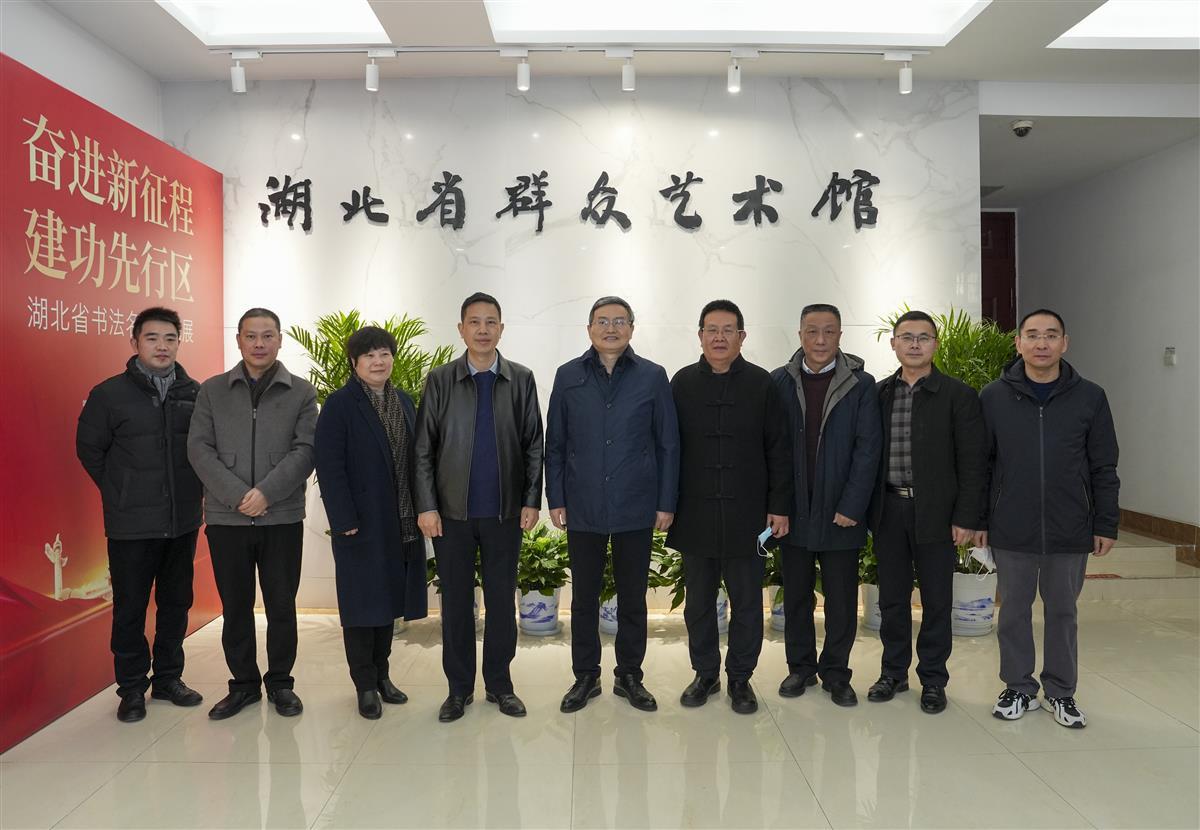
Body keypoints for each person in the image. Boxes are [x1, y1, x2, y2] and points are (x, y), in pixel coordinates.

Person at [979, 309, 1119, 728]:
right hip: (1011, 525)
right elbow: (980, 465)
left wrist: (1105, 522)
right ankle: (1018, 687)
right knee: (1013, 611)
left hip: (1070, 525)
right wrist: (979, 519)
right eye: (1033, 335)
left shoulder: (1090, 397)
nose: (1042, 343)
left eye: (1051, 335)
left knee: (1062, 612)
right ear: (1018, 343)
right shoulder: (993, 396)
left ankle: (1061, 692)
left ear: (1065, 343)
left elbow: (1104, 466)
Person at [545, 296, 679, 714]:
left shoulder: (653, 376)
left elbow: (668, 444)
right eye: (602, 321)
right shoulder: (568, 375)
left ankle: (630, 675)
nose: (610, 328)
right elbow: (555, 443)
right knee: (584, 598)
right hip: (582, 503)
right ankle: (586, 676)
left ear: (632, 329)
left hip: (635, 503)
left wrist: (666, 502)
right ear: (589, 329)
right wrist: (556, 498)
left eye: (619, 321)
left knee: (633, 597)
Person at [414, 292, 543, 723]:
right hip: (451, 514)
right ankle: (458, 689)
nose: (483, 330)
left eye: (491, 322)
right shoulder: (440, 380)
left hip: (504, 513)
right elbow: (423, 448)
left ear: (501, 329)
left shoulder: (520, 379)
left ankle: (500, 686)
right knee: (455, 604)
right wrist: (427, 505)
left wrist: (530, 500)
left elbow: (534, 444)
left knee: (502, 603)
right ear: (461, 329)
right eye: (474, 322)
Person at [187, 308, 317, 720]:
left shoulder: (301, 392)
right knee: (236, 605)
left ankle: (281, 683)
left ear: (280, 340)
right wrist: (239, 495)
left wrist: (267, 494)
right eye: (250, 336)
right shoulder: (212, 391)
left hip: (281, 518)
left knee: (281, 605)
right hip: (227, 519)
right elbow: (199, 449)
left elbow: (306, 450)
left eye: (267, 335)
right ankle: (243, 685)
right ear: (238, 340)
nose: (259, 343)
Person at [76, 307, 205, 723]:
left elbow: (206, 452)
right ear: (135, 342)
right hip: (131, 524)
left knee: (176, 603)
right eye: (152, 338)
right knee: (130, 607)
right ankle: (132, 688)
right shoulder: (109, 394)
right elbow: (89, 450)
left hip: (182, 521)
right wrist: (121, 490)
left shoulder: (195, 393)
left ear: (179, 343)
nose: (162, 346)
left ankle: (168, 678)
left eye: (170, 338)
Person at [670, 300, 792, 715]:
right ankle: (705, 673)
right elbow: (668, 449)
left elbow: (779, 449)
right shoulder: (682, 382)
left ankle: (740, 677)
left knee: (747, 603)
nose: (719, 338)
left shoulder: (762, 383)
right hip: (695, 513)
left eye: (728, 330)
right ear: (700, 335)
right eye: (712, 330)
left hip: (748, 515)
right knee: (699, 604)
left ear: (742, 337)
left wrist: (779, 506)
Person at [865, 310, 986, 714]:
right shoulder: (879, 394)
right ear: (893, 343)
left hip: (937, 513)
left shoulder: (958, 395)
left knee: (937, 601)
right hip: (889, 510)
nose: (914, 344)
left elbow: (973, 462)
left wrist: (966, 517)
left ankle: (933, 679)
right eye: (907, 337)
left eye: (923, 337)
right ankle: (893, 673)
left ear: (935, 344)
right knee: (892, 599)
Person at [314, 326, 429, 720]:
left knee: (388, 603)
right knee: (362, 606)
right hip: (361, 524)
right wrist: (343, 518)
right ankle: (364, 684)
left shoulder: (405, 401)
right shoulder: (340, 404)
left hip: (400, 521)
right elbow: (329, 465)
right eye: (369, 356)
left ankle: (383, 676)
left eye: (384, 354)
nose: (378, 362)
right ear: (354, 362)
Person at [770, 303, 881, 708]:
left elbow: (868, 449)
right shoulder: (779, 381)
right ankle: (800, 668)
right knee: (797, 596)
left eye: (829, 331)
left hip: (841, 513)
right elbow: (771, 449)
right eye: (812, 331)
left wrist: (852, 504)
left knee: (841, 599)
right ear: (799, 334)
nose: (820, 340)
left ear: (840, 336)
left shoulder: (860, 384)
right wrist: (777, 505)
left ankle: (836, 673)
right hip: (794, 511)